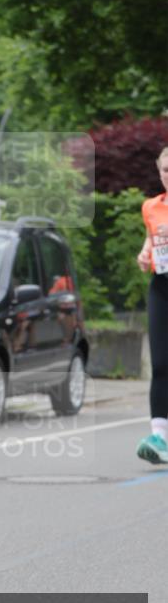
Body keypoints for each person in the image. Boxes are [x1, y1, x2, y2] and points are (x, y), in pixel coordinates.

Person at [135, 145, 168, 465]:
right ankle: (159, 437)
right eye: (165, 170)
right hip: (161, 286)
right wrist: (145, 255)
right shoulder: (151, 207)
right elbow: (151, 240)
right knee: (160, 363)